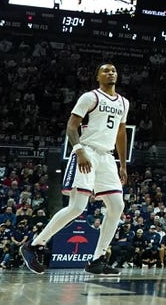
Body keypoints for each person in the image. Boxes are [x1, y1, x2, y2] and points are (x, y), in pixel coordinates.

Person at [21, 63, 129, 276]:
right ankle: (34, 246)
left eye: (114, 70)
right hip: (86, 151)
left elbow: (121, 133)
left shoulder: (124, 103)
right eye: (106, 71)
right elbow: (71, 126)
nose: (111, 73)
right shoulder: (90, 97)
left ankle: (97, 259)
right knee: (77, 207)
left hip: (107, 157)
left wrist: (123, 165)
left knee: (117, 205)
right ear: (98, 76)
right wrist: (79, 151)